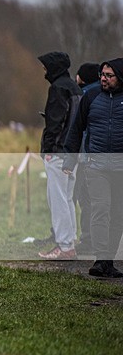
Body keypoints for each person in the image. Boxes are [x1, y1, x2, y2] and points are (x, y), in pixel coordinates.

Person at [63, 58, 123, 278]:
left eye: (109, 75)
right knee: (101, 209)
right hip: (96, 166)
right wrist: (69, 160)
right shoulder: (91, 96)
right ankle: (100, 259)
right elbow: (76, 129)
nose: (104, 79)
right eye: (102, 75)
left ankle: (108, 261)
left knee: (118, 214)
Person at [36, 51, 82, 260]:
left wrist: (47, 150)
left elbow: (55, 123)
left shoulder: (57, 89)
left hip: (58, 153)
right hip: (73, 152)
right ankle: (69, 242)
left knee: (58, 199)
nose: (43, 71)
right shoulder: (74, 87)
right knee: (68, 198)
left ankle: (64, 246)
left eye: (46, 67)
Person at [73, 62, 100, 253]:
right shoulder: (105, 95)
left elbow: (78, 129)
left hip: (86, 157)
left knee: (85, 199)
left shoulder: (85, 97)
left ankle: (88, 240)